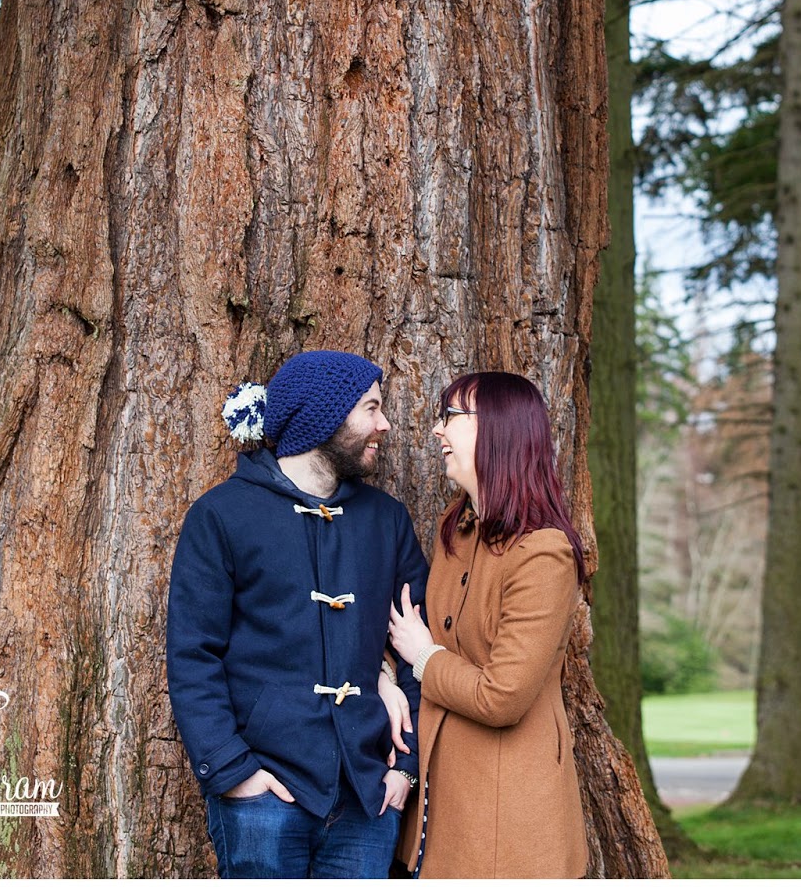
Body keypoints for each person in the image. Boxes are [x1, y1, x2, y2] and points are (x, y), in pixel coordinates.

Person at [167, 348, 427, 879]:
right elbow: (193, 655)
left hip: (368, 795)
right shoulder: (221, 516)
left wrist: (405, 765)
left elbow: (420, 646)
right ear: (324, 418)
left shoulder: (387, 522)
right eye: (371, 409)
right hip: (262, 792)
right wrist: (235, 772)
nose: (385, 424)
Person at [388, 371, 588, 879]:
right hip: (439, 800)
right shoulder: (456, 528)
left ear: (498, 430)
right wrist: (389, 674)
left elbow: (503, 696)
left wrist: (422, 657)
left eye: (451, 416)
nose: (437, 430)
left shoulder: (544, 554)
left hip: (508, 817)